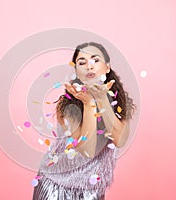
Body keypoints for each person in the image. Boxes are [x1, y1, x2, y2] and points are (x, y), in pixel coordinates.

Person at [33, 42, 135, 200]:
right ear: (77, 71)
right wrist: (89, 103)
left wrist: (102, 99)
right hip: (55, 184)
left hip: (91, 190)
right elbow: (86, 151)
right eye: (82, 62)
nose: (89, 66)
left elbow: (120, 139)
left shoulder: (120, 102)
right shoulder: (67, 104)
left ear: (107, 67)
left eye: (95, 60)